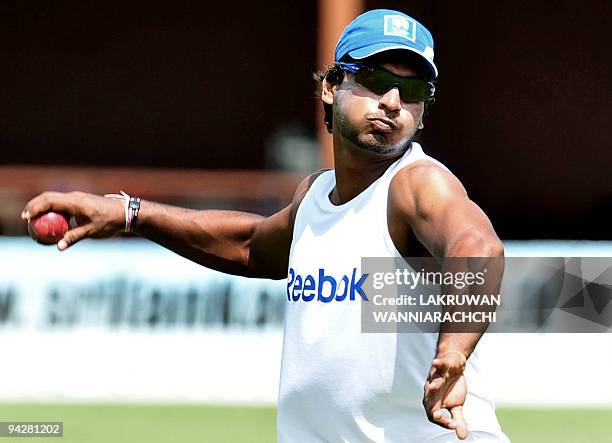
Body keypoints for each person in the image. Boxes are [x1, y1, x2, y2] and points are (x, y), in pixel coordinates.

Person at [22, 9, 509, 443]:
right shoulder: (315, 196)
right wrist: (128, 213)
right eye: (376, 79)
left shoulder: (417, 184)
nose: (393, 101)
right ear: (331, 85)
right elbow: (253, 245)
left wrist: (454, 352)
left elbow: (479, 247)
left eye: (415, 90)